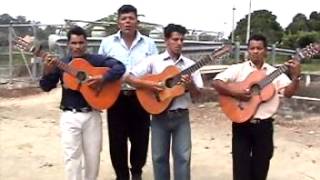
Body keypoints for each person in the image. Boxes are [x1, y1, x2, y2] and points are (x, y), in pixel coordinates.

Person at [39, 26, 126, 180]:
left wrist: (102, 78)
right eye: (74, 43)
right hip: (69, 115)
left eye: (81, 43)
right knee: (72, 158)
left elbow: (120, 67)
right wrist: (47, 69)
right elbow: (46, 86)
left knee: (93, 158)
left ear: (86, 43)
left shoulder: (95, 60)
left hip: (92, 114)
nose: (77, 46)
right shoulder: (61, 63)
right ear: (68, 44)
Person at [212, 34, 301, 180]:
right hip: (241, 124)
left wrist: (296, 77)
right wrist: (236, 92)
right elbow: (216, 83)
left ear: (265, 50)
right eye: (252, 48)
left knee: (261, 169)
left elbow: (288, 93)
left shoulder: (274, 73)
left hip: (264, 127)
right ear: (248, 50)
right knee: (240, 169)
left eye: (259, 48)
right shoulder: (238, 69)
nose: (255, 51)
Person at [125, 23, 204, 180]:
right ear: (166, 41)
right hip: (159, 115)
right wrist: (151, 85)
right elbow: (129, 77)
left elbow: (197, 96)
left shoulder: (190, 65)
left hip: (181, 116)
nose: (179, 43)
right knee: (159, 158)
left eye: (182, 40)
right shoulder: (154, 61)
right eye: (175, 39)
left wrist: (190, 85)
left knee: (183, 158)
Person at [98, 4, 158, 180]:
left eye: (131, 18)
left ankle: (137, 171)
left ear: (137, 21)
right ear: (118, 22)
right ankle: (121, 175)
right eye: (124, 19)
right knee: (117, 140)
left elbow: (155, 71)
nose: (127, 22)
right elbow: (101, 70)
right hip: (116, 97)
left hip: (141, 97)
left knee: (140, 138)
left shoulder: (149, 44)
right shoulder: (107, 43)